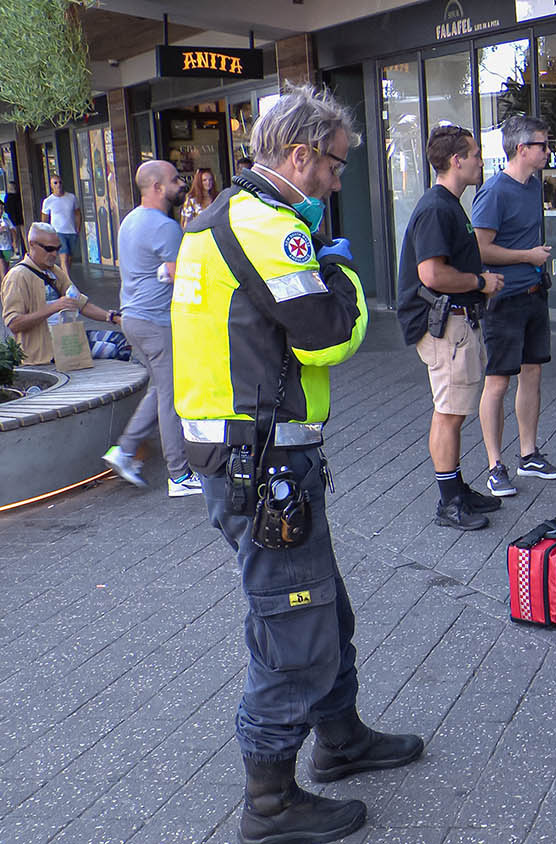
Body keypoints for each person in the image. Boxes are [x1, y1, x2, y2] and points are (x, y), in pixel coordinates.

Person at [170, 84, 421, 844]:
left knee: (320, 611)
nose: (339, 184)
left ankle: (340, 742)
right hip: (264, 463)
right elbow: (326, 337)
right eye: (336, 167)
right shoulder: (266, 225)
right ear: (300, 155)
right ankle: (271, 801)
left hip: (251, 459)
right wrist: (343, 276)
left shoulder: (214, 221)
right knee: (294, 626)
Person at [396, 125, 505, 530]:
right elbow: (432, 274)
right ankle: (448, 502)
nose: (480, 160)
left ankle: (457, 490)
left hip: (458, 323)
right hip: (447, 327)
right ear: (456, 160)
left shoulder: (447, 203)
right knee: (449, 413)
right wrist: (481, 282)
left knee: (455, 411)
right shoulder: (438, 208)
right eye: (474, 154)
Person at [471, 115, 556, 498]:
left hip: (533, 295)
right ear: (522, 149)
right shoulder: (494, 191)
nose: (548, 151)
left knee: (533, 374)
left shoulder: (532, 188)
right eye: (543, 145)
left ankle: (529, 453)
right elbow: (480, 247)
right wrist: (528, 256)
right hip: (503, 299)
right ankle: (495, 465)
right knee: (497, 382)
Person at [100, 160, 201, 497]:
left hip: (133, 319)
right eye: (174, 180)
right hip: (157, 323)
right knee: (171, 397)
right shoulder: (164, 226)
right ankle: (180, 475)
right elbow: (180, 276)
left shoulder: (130, 221)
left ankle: (125, 451)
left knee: (160, 389)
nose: (180, 185)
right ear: (157, 187)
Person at [0, 222, 119, 366]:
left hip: (66, 339)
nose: (55, 254)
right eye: (49, 249)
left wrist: (111, 317)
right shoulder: (17, 276)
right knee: (112, 349)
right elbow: (14, 323)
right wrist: (54, 307)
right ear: (31, 245)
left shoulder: (53, 270)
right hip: (44, 351)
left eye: (58, 249)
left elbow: (81, 303)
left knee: (120, 341)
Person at [40, 176, 80, 274]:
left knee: (69, 257)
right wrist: (46, 233)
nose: (58, 185)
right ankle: (68, 281)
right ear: (51, 185)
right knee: (64, 255)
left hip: (71, 231)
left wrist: (78, 227)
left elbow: (78, 213)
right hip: (58, 232)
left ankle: (63, 276)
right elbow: (44, 218)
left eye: (60, 182)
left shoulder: (71, 197)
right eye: (55, 183)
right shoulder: (48, 201)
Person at [0, 199, 16, 279]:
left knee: (6, 268)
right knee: (2, 266)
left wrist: (14, 242)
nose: (0, 211)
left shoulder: (6, 220)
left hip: (7, 246)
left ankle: (7, 284)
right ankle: (4, 287)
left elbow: (13, 230)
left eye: (2, 208)